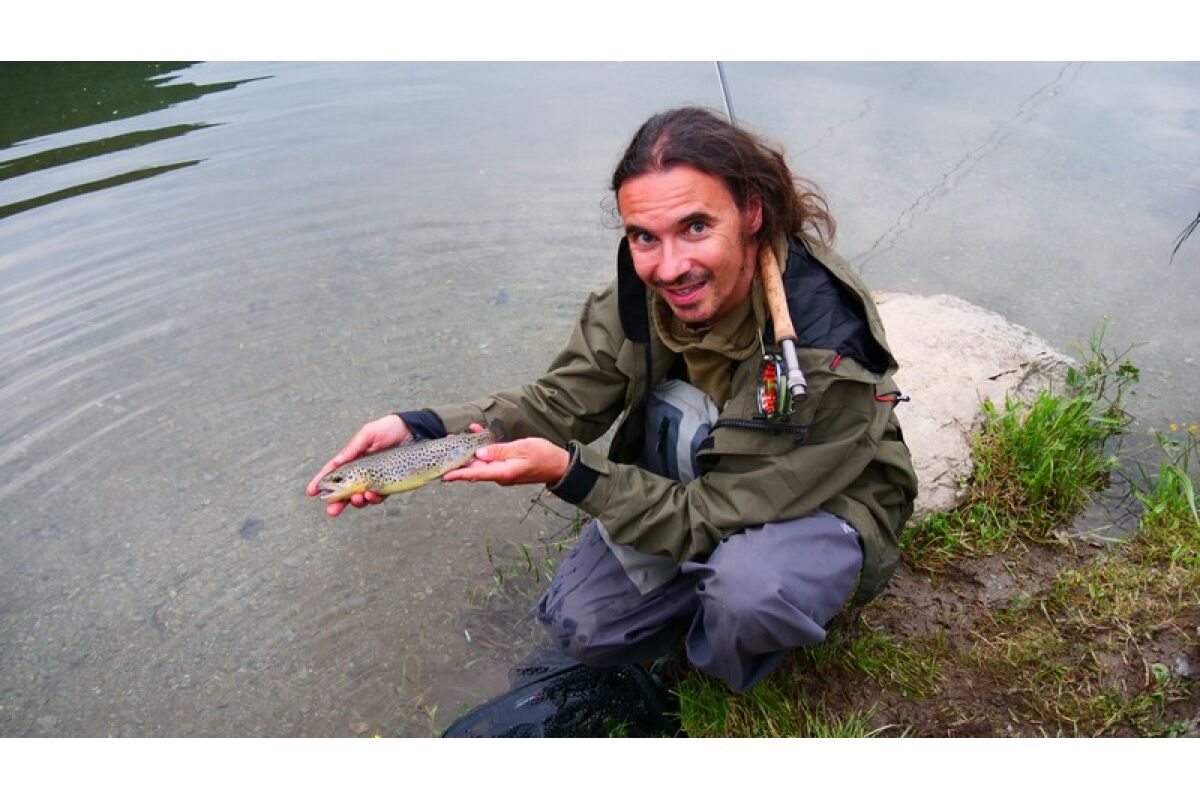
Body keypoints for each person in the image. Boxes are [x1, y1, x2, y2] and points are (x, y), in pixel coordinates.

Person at [307, 107, 917, 694]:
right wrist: (420, 430)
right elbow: (559, 401)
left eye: (696, 227)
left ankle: (725, 671)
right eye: (644, 236)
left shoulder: (823, 353)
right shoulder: (641, 295)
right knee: (583, 626)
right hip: (706, 477)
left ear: (752, 211)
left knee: (747, 594)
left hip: (819, 498)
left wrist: (571, 475)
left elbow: (711, 512)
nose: (670, 267)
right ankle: (702, 598)